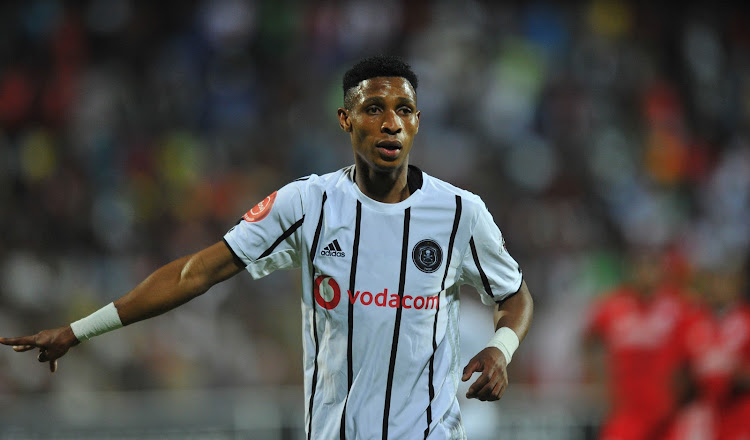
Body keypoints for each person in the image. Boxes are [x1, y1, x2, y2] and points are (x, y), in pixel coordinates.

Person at [0, 55, 534, 439]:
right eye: (374, 107)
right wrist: (79, 330)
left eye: (404, 109)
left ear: (417, 122)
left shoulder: (460, 212)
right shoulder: (308, 203)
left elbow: (514, 296)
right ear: (346, 120)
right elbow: (197, 272)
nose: (391, 121)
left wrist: (501, 349)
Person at [583, 248, 693, 440]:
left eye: (651, 268)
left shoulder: (677, 308)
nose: (646, 274)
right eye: (641, 268)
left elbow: (692, 358)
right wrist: (599, 378)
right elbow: (589, 340)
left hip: (667, 415)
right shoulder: (615, 306)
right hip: (626, 411)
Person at [663, 267, 750, 440]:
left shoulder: (746, 321)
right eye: (714, 280)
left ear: (737, 284)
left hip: (740, 411)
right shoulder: (689, 321)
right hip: (700, 411)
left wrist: (735, 377)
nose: (719, 287)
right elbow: (676, 369)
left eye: (725, 280)